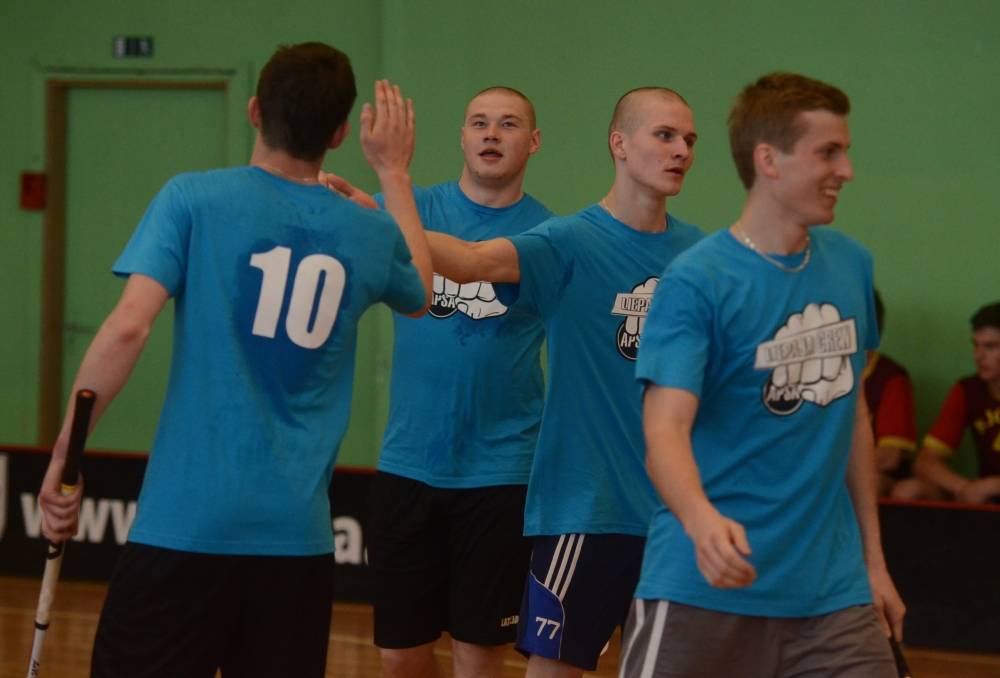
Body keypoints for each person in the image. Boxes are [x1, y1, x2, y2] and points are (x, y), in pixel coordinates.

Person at [37, 44, 431, 678]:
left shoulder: (191, 198)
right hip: (295, 546)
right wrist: (393, 175)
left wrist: (66, 455)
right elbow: (424, 294)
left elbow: (128, 328)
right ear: (339, 133)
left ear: (254, 111)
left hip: (182, 531)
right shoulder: (370, 231)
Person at [619, 72, 905, 678]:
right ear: (769, 160)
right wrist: (702, 522)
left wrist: (874, 563)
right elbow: (664, 431)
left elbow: (853, 414)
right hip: (702, 590)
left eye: (845, 151)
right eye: (828, 153)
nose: (846, 170)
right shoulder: (697, 281)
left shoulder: (851, 265)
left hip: (832, 599)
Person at [422, 87, 704, 678]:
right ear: (619, 143)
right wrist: (380, 213)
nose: (681, 150)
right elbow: (470, 261)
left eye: (688, 140)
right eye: (665, 135)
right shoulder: (567, 242)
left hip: (677, 520)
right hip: (588, 514)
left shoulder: (701, 257)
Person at [344, 87, 555, 678]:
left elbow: (470, 257)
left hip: (502, 474)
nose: (491, 133)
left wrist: (385, 212)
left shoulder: (550, 235)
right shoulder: (411, 207)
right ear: (461, 137)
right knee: (399, 656)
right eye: (479, 122)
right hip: (409, 464)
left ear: (533, 142)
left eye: (508, 124)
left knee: (477, 653)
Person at [892, 300, 1000, 504]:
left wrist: (993, 486)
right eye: (975, 345)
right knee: (908, 490)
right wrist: (963, 487)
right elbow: (925, 462)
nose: (979, 356)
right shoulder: (968, 389)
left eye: (991, 347)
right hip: (982, 496)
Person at [864, 289, 918, 496]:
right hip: (821, 473)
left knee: (869, 483)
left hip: (865, 476)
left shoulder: (889, 377)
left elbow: (889, 457)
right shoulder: (813, 374)